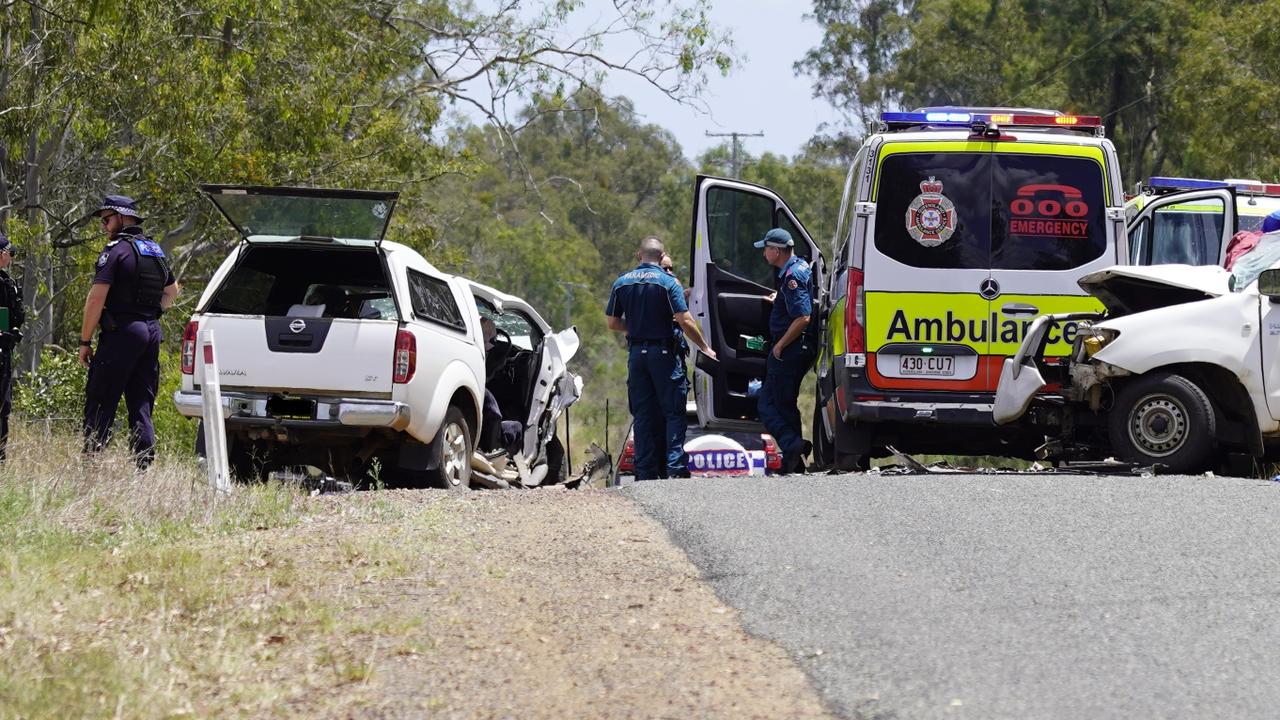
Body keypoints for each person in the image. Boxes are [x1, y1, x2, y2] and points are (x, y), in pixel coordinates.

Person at [80, 194, 179, 468]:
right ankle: (143, 469)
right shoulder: (154, 250)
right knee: (141, 402)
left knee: (101, 398)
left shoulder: (115, 251)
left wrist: (84, 340)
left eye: (107, 219)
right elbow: (172, 291)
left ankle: (91, 464)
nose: (103, 225)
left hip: (122, 332)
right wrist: (153, 313)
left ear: (122, 217)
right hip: (151, 332)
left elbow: (96, 299)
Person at [606, 236, 715, 480]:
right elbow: (685, 320)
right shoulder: (668, 283)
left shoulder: (621, 283)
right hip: (664, 354)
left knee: (643, 414)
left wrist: (636, 327)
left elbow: (612, 322)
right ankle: (675, 469)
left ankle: (644, 472)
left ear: (639, 254)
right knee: (673, 412)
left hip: (637, 355)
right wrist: (705, 347)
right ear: (661, 254)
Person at [756, 228, 816, 474]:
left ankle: (793, 445)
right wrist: (779, 298)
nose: (763, 254)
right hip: (797, 348)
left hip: (790, 348)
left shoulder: (791, 276)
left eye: (766, 249)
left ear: (776, 251)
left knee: (766, 405)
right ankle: (793, 461)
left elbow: (803, 316)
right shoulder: (798, 268)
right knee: (785, 404)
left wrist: (780, 345)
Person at [0, 233, 23, 461]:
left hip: (2, 354)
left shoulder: (8, 285)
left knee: (3, 409)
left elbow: (17, 318)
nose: (11, 257)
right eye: (9, 252)